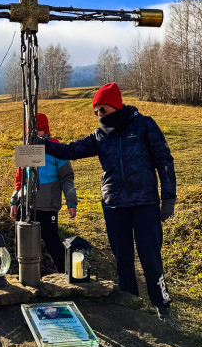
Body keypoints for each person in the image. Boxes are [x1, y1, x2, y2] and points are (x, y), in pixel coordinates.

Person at [39, 83, 177, 326]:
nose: (100, 115)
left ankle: (162, 306)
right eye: (96, 112)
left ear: (116, 104)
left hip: (145, 202)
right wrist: (43, 144)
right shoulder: (99, 135)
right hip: (113, 204)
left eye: (102, 109)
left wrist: (168, 197)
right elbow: (70, 150)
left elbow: (164, 159)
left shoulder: (145, 125)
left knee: (150, 257)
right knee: (122, 258)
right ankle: (130, 306)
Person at [10, 113, 77, 273]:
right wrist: (14, 201)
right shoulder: (26, 150)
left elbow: (67, 178)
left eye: (38, 130)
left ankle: (66, 275)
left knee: (53, 244)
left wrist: (71, 201)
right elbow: (20, 180)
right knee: (22, 245)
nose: (34, 133)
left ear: (45, 130)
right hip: (26, 206)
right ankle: (26, 278)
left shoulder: (56, 149)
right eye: (30, 130)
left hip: (48, 207)